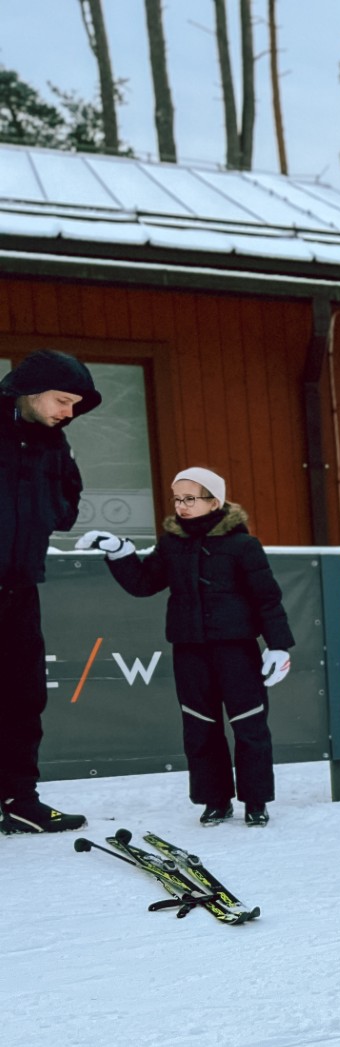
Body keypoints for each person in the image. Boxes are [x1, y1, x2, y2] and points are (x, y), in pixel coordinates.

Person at [80, 467, 295, 827]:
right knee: (200, 727)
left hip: (236, 650)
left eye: (190, 498)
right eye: (178, 498)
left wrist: (278, 646)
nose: (181, 505)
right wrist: (119, 551)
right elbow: (144, 583)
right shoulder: (171, 544)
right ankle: (215, 801)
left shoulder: (243, 546)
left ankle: (255, 801)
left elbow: (267, 599)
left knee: (249, 725)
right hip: (189, 650)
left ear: (215, 500)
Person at [0, 350, 100, 835]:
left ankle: (19, 800)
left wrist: (55, 497)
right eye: (63, 401)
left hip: (20, 586)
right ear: (30, 390)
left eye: (75, 405)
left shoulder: (55, 447)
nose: (69, 412)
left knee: (22, 695)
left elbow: (65, 513)